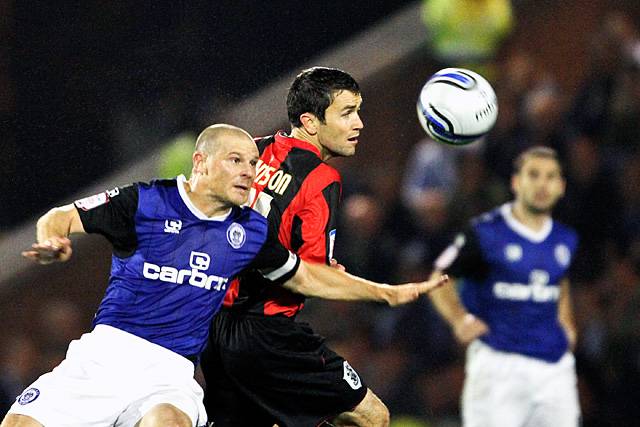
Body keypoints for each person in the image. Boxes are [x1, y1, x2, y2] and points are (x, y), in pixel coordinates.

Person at [2, 124, 447, 427]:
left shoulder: (250, 230)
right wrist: (54, 240)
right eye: (236, 160)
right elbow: (63, 215)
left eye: (253, 163)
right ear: (201, 163)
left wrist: (384, 293)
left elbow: (305, 277)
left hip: (169, 372)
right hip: (104, 357)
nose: (248, 172)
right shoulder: (146, 203)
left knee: (166, 422)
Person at [200, 67, 396, 427]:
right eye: (347, 113)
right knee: (372, 417)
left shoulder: (251, 151)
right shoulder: (322, 179)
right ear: (310, 121)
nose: (359, 124)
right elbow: (310, 273)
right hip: (268, 333)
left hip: (214, 326)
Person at [428, 146, 580, 427]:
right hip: (499, 366)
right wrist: (459, 319)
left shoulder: (565, 239)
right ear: (515, 182)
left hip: (553, 368)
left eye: (550, 177)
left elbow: (559, 283)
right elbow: (439, 278)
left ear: (561, 187)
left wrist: (567, 325)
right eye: (533, 175)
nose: (542, 185)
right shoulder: (485, 232)